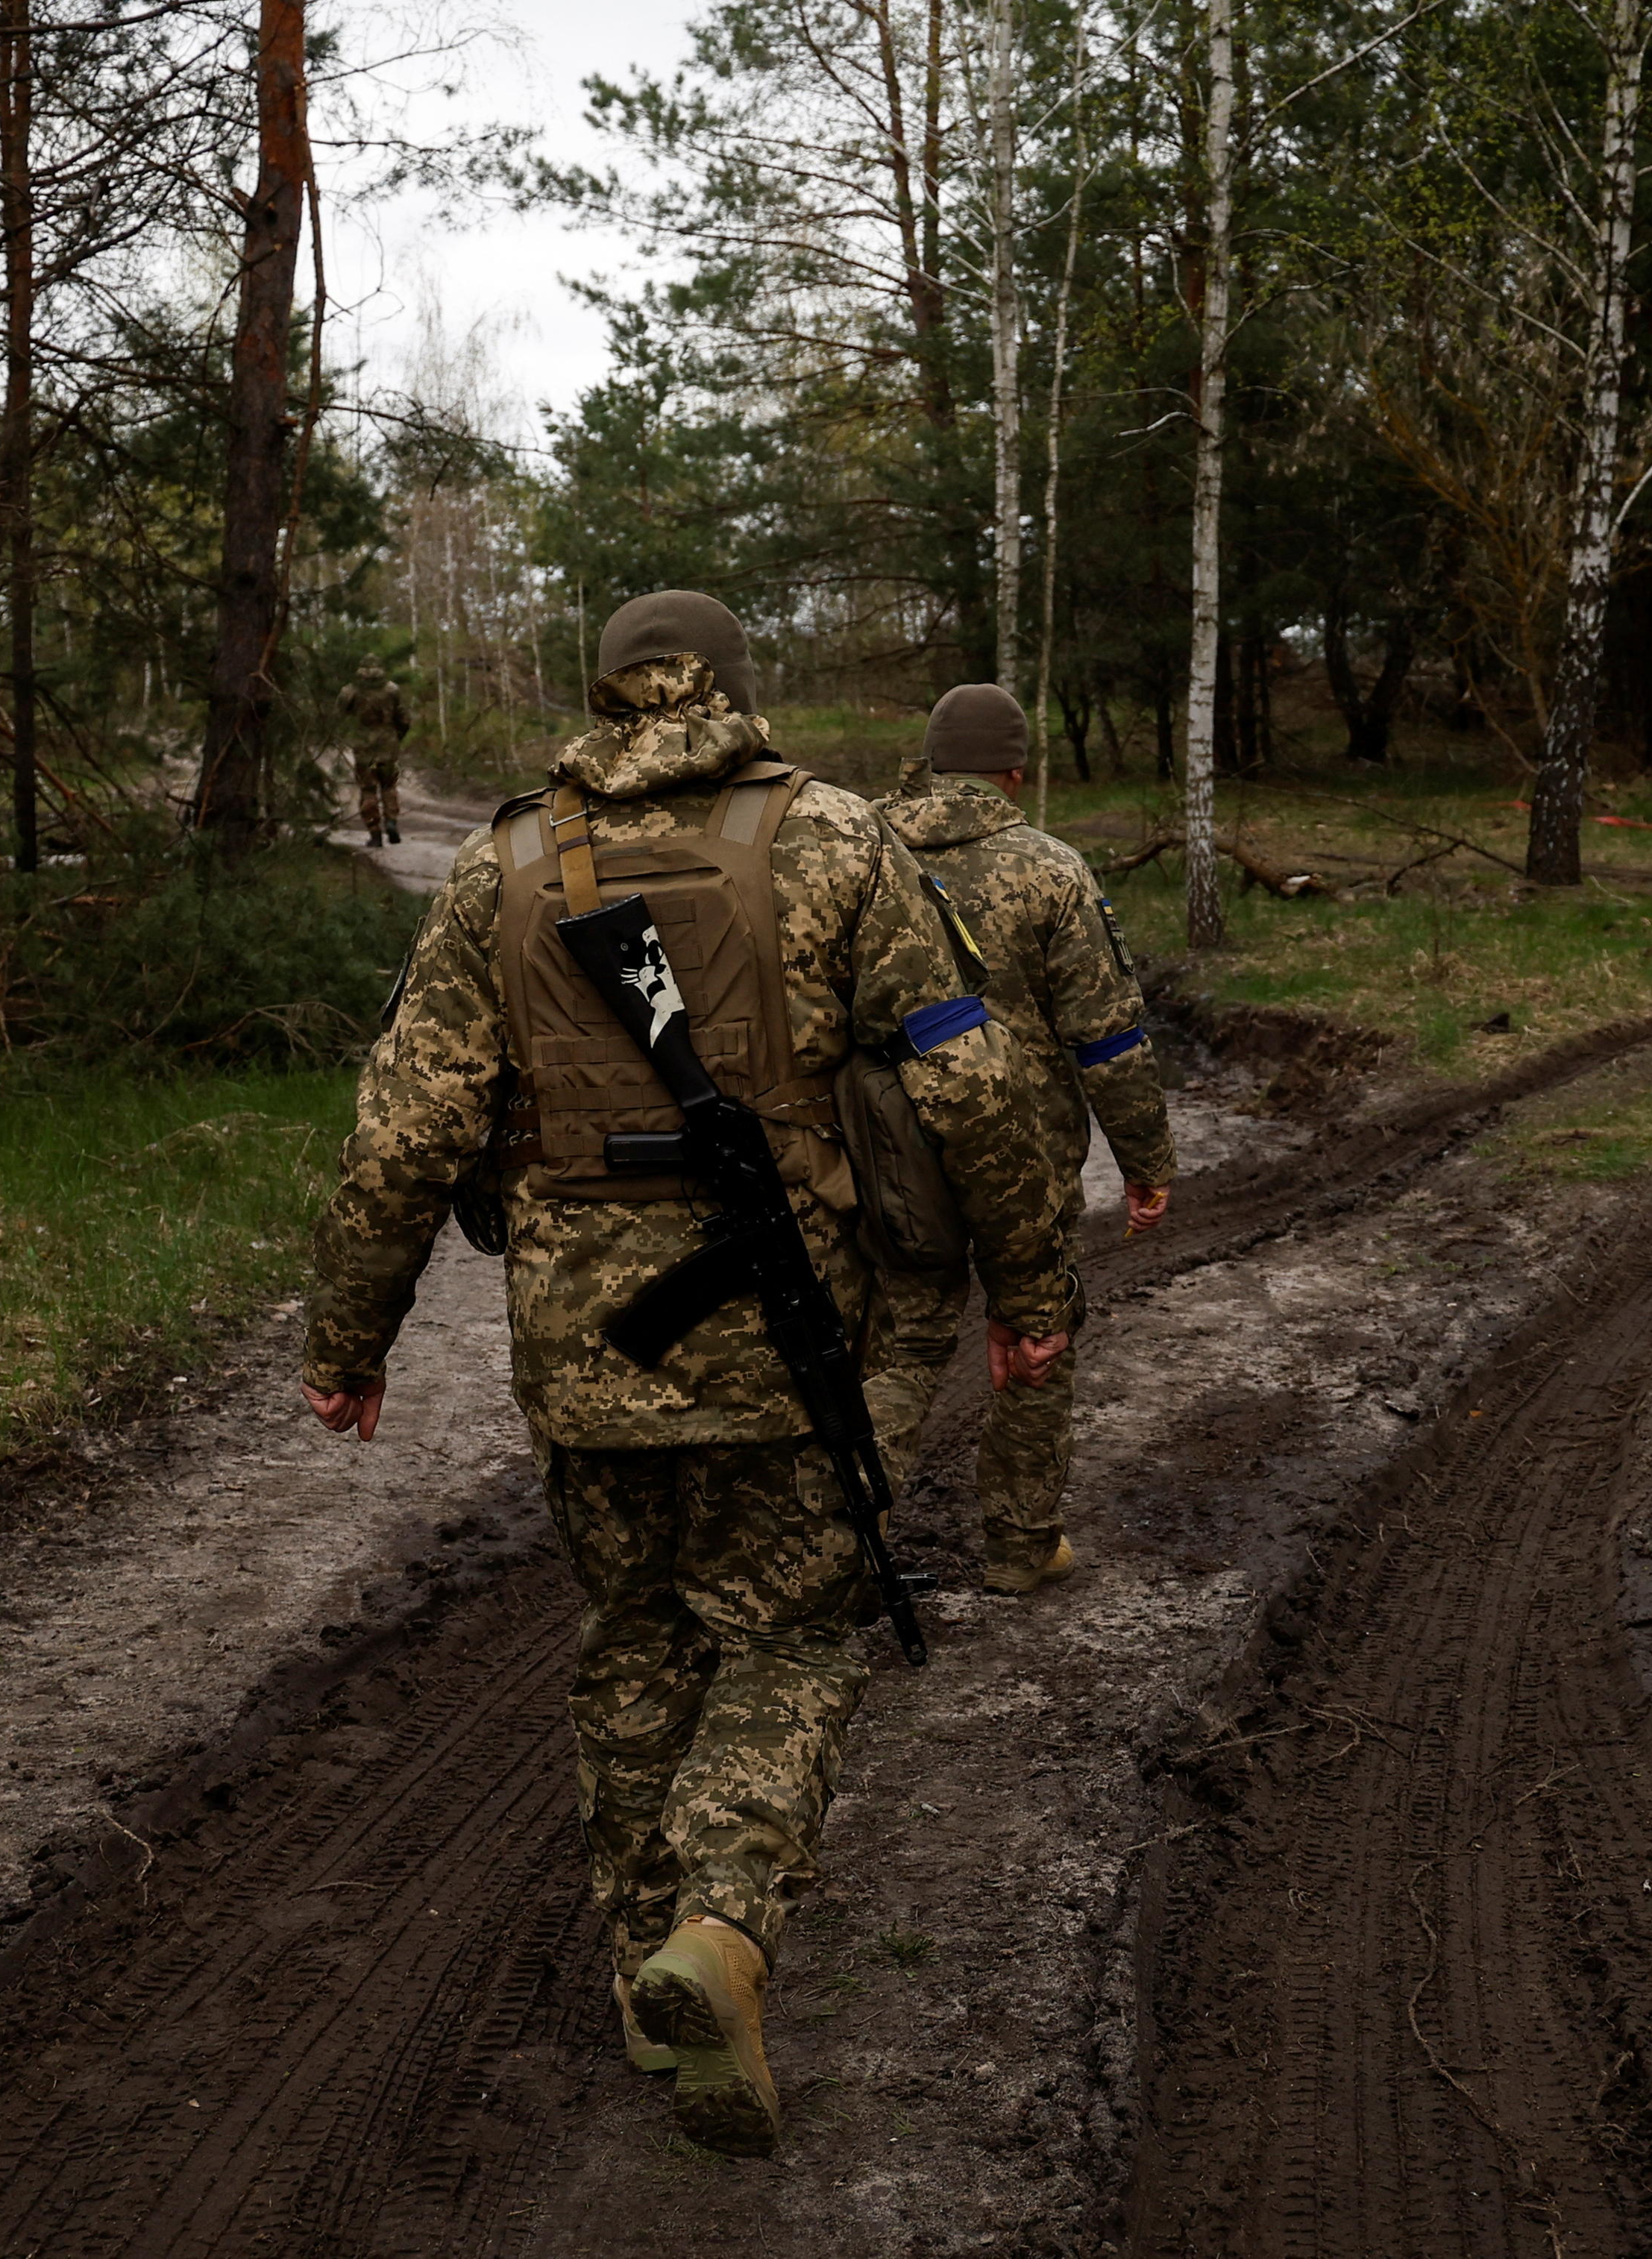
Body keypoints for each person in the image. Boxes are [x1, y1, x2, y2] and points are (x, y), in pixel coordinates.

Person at [296, 591, 1079, 2157]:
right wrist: (1031, 1280)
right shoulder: (839, 842)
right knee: (790, 1641)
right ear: (733, 688)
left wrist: (348, 1339)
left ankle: (639, 1972)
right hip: (788, 1349)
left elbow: (402, 1136)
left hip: (584, 1352)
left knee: (630, 1635)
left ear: (603, 688)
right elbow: (975, 1076)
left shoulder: (498, 866)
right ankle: (718, 1931)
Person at [861, 682, 1173, 1595]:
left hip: (889, 1150)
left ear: (927, 762)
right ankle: (1021, 1542)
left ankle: (844, 1552)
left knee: (898, 1347)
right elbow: (1108, 1038)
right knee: (1036, 1325)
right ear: (1014, 772)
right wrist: (1146, 1162)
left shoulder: (857, 854)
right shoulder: (1049, 868)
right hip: (1023, 1158)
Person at [339, 658, 411, 844]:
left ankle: (375, 832)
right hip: (387, 744)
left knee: (368, 788)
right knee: (388, 785)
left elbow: (339, 714)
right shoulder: (392, 690)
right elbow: (403, 717)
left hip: (364, 747)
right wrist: (397, 737)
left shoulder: (350, 691)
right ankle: (392, 823)